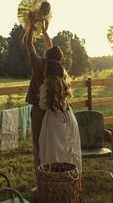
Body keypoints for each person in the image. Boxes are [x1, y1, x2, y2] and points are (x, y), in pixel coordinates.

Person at [25, 18, 63, 187]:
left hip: (39, 112)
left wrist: (31, 30)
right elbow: (52, 49)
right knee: (52, 145)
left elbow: (29, 45)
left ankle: (41, 182)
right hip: (54, 110)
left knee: (38, 146)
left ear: (47, 54)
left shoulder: (39, 65)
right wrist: (44, 32)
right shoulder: (57, 67)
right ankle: (53, 177)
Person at [38, 60, 82, 189]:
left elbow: (43, 105)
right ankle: (73, 182)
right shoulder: (65, 83)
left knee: (53, 150)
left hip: (53, 120)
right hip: (68, 117)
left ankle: (55, 184)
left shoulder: (46, 86)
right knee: (71, 148)